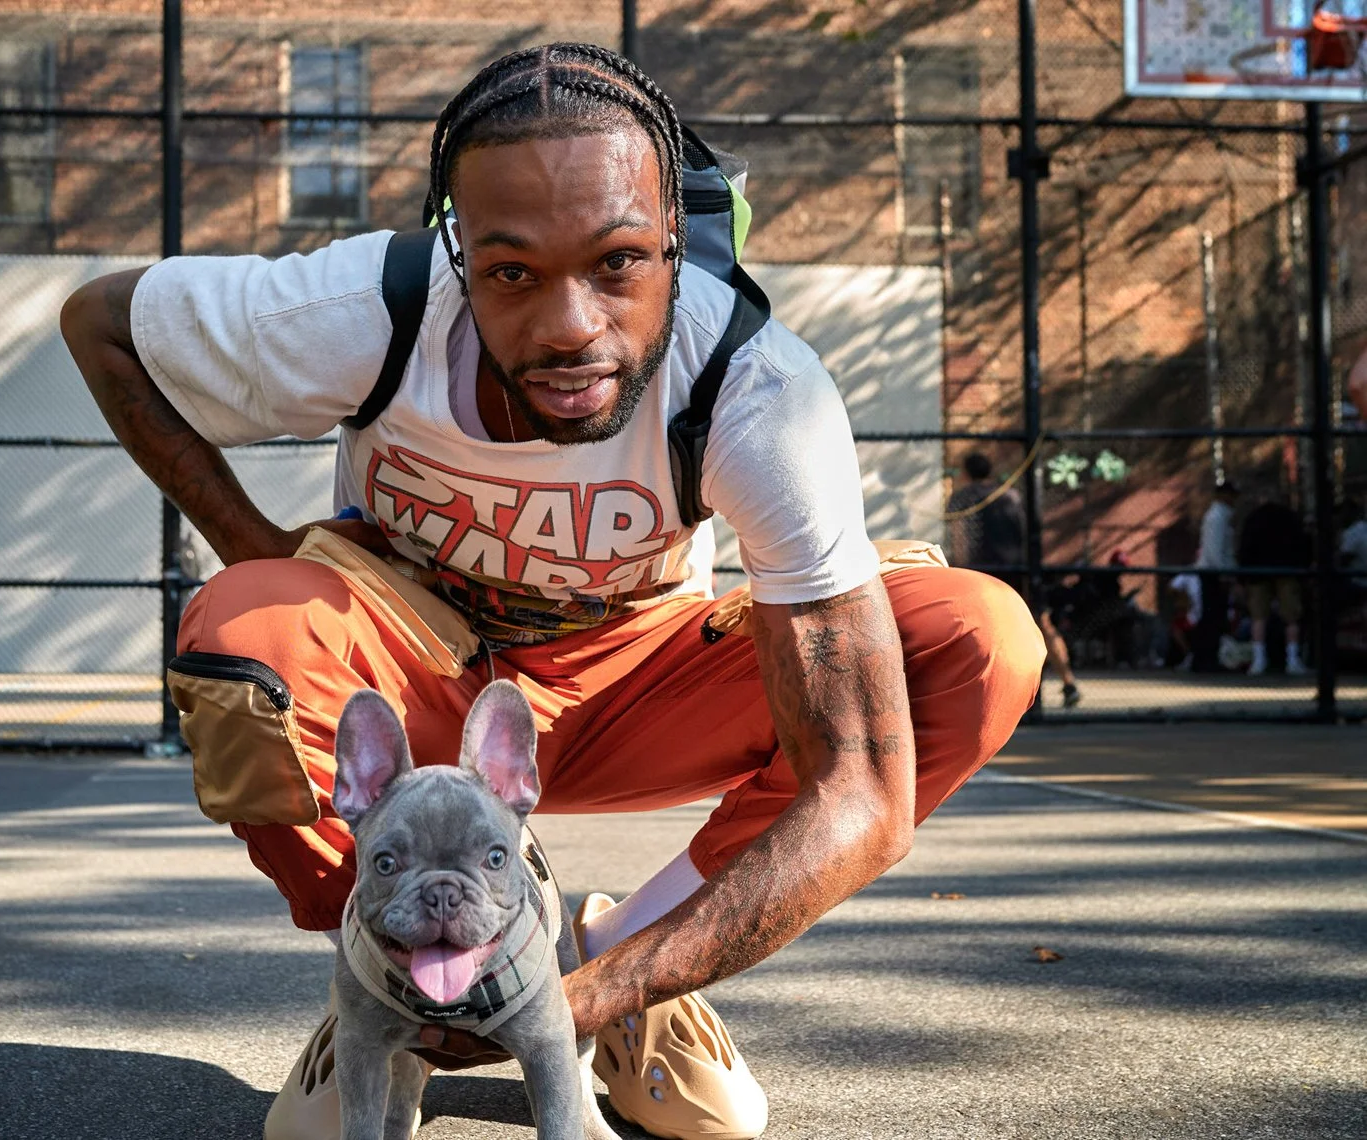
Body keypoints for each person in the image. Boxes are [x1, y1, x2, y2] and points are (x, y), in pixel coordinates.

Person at [62, 44, 1044, 1140]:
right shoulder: (371, 310)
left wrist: (575, 997)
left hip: (645, 678)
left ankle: (631, 955)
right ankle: (389, 984)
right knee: (246, 634)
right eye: (513, 272)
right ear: (458, 252)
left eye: (619, 262)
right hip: (427, 674)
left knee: (976, 641)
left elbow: (859, 793)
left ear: (677, 245)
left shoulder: (754, 388)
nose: (571, 325)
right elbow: (101, 322)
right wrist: (256, 547)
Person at [947, 452, 1081, 707]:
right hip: (1019, 569)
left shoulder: (962, 498)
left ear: (966, 472)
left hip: (983, 572)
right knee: (1041, 622)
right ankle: (1068, 682)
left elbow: (960, 539)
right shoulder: (1010, 494)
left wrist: (960, 572)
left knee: (986, 629)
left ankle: (994, 694)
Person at [1236, 491, 1309, 676]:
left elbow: (1245, 547)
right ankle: (1292, 660)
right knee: (1291, 617)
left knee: (1258, 617)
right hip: (1286, 570)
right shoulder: (1290, 518)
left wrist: (1243, 575)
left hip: (1258, 573)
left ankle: (1259, 660)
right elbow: (1303, 543)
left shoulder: (1254, 519)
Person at [1190, 477, 1239, 672]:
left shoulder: (1223, 517)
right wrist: (1222, 574)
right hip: (1213, 574)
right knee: (1211, 617)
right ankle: (1204, 659)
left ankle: (1209, 657)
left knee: (1216, 617)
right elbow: (1214, 549)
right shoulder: (1216, 517)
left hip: (1217, 572)